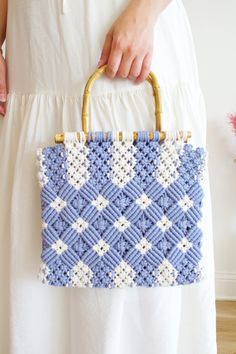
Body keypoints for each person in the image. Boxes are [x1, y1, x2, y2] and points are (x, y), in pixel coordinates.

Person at [0, 0, 217, 353]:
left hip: (132, 37)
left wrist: (145, 11)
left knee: (143, 265)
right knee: (37, 271)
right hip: (38, 51)